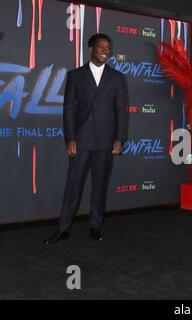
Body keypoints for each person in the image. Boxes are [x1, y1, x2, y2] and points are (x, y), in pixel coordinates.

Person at [44, 34, 129, 244]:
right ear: (90, 48)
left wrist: (119, 138)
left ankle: (95, 226)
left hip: (106, 142)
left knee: (100, 187)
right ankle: (63, 229)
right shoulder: (75, 76)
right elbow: (69, 111)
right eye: (100, 46)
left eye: (107, 47)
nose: (104, 50)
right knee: (73, 186)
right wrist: (70, 138)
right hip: (80, 141)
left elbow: (121, 111)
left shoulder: (117, 78)